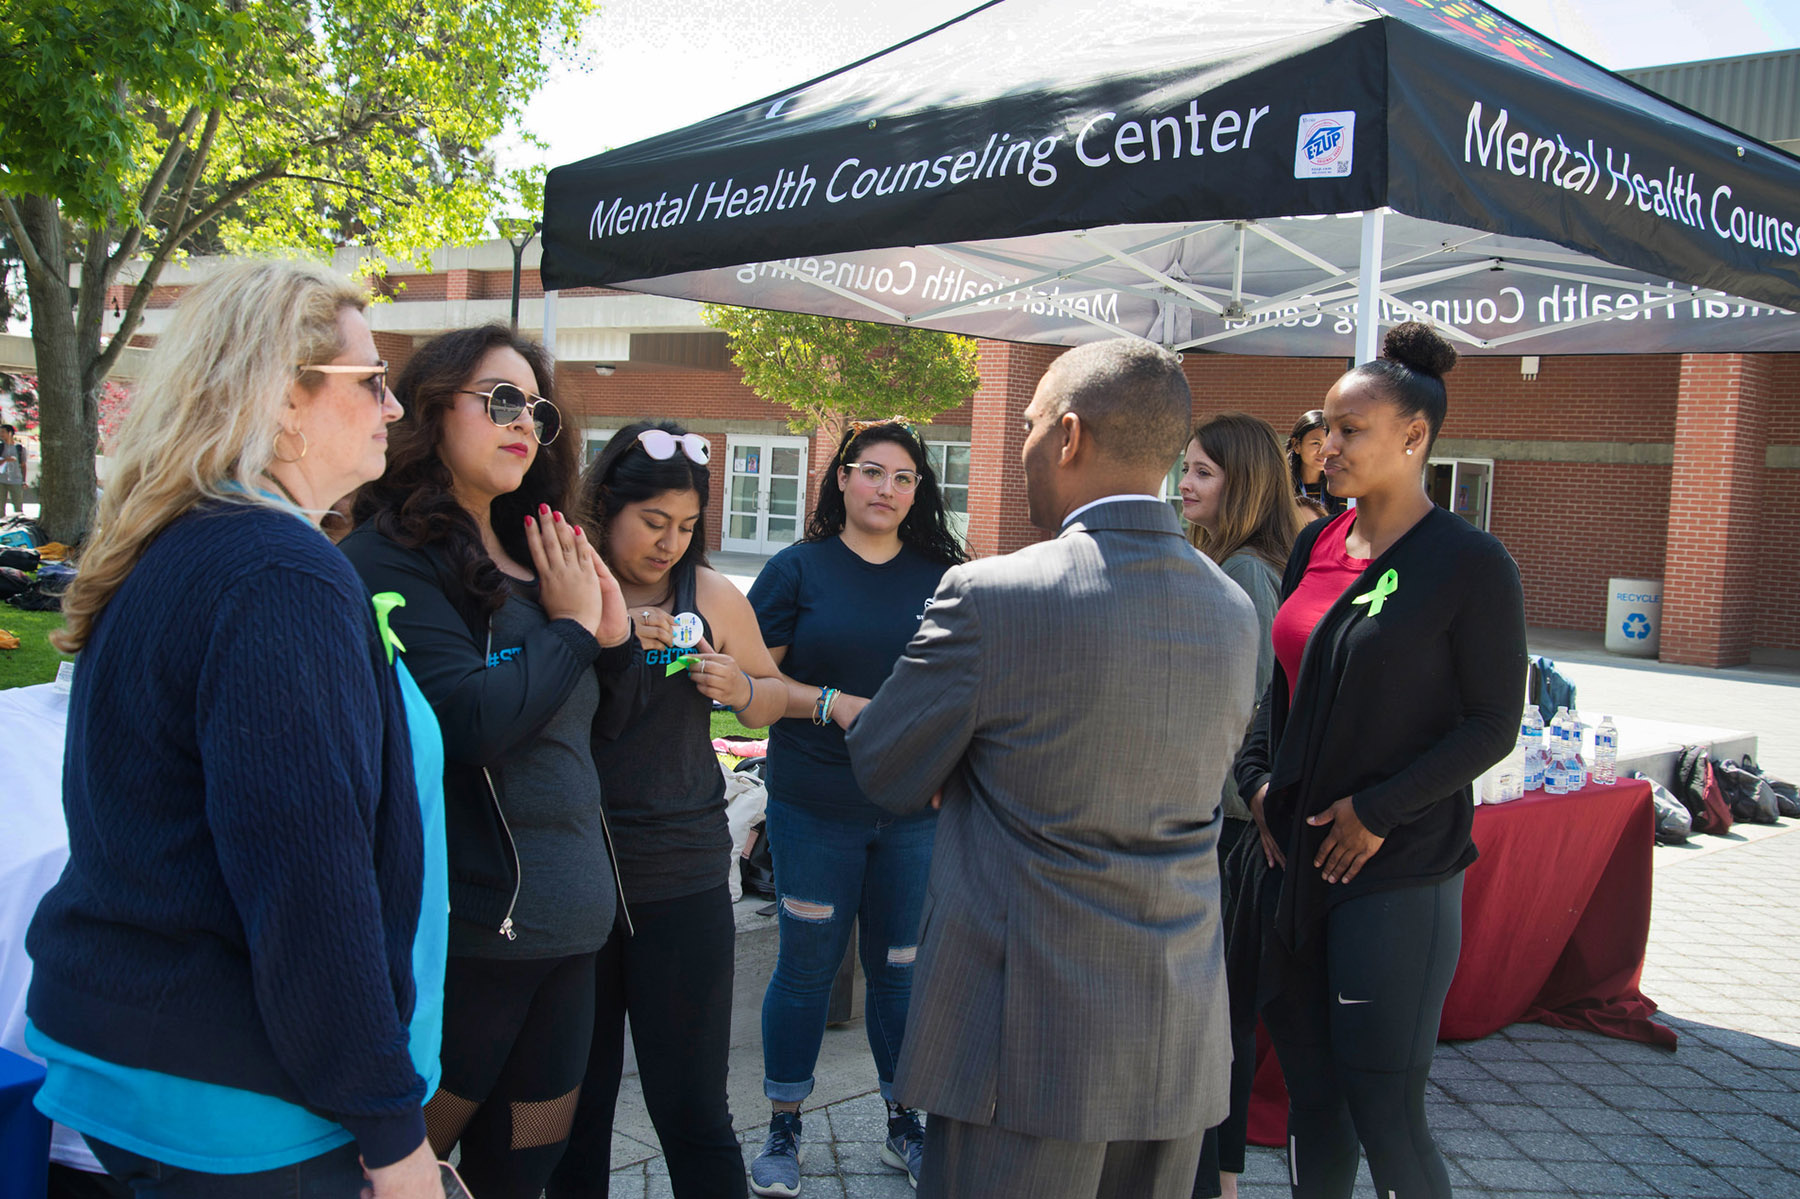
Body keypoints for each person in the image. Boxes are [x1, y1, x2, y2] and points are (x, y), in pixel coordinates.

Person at [24, 260, 445, 1197]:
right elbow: (307, 878)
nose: (394, 408)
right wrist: (391, 1133)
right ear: (282, 398)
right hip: (238, 1099)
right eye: (370, 380)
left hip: (131, 1059)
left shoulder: (189, 538)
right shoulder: (276, 570)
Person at [845, 339, 1258, 1199]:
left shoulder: (991, 595)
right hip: (1175, 1037)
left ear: (1069, 435)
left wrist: (953, 760)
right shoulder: (1232, 605)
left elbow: (884, 766)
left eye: (1028, 423)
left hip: (1023, 1045)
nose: (1021, 443)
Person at [341, 325, 637, 1199]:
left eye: (536, 409)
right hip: (470, 938)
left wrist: (609, 643)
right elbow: (467, 718)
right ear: (431, 411)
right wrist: (576, 628)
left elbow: (596, 727)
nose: (524, 422)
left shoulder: (543, 549)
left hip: (572, 933)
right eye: (500, 400)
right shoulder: (388, 557)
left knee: (524, 1168)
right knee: (406, 1170)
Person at [1234, 323, 1526, 1199]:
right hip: (1292, 870)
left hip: (1396, 876)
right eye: (1326, 426)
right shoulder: (1315, 547)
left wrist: (1379, 810)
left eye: (1351, 429)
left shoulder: (1471, 564)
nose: (1328, 445)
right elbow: (1279, 690)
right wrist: (1257, 784)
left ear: (1415, 436)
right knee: (1312, 1103)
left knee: (1384, 1110)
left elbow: (1491, 725)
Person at [548, 420, 786, 1199]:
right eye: (653, 522)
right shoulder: (563, 582)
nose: (669, 543)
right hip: (572, 881)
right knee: (570, 1113)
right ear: (605, 503)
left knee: (691, 1108)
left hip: (680, 880)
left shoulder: (709, 593)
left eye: (686, 526)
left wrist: (737, 684)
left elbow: (768, 700)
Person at [744, 417, 966, 1196]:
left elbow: (963, 690)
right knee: (805, 969)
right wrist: (833, 701)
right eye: (873, 472)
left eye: (905, 478)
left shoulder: (944, 574)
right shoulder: (796, 570)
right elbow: (751, 692)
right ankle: (782, 1125)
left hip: (914, 813)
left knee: (902, 972)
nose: (887, 489)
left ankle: (903, 1120)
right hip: (815, 804)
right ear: (840, 477)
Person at [1177, 412, 1303, 1199]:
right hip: (1229, 822)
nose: (1184, 484)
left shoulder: (1250, 571)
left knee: (1219, 1020)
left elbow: (1251, 712)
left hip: (1229, 827)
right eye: (1185, 469)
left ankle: (1219, 1184)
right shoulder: (1235, 561)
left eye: (1202, 473)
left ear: (1244, 483)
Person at [1286, 410, 1346, 518]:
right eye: (1316, 443)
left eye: (1328, 443)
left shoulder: (1341, 487)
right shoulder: (1280, 486)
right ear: (1296, 445)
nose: (1323, 451)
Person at [0, 423, 26, 514]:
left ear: (10, 433)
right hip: (1, 480)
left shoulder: (19, 448)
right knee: (0, 508)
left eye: (3, 432)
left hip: (16, 480)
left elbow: (23, 465)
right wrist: (6, 460)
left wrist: (24, 481)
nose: (1, 434)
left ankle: (18, 524)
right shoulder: (0, 447)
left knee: (18, 506)